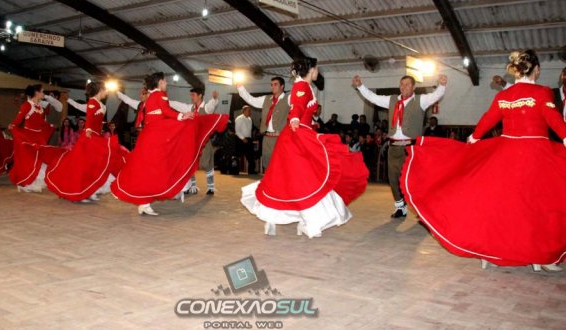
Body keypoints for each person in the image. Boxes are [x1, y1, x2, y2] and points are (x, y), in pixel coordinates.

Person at [402, 50, 566, 272]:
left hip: (506, 154)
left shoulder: (504, 96)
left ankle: (490, 252)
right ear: (536, 69)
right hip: (535, 155)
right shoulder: (542, 92)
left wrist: (474, 138)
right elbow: (553, 119)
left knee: (501, 204)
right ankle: (541, 256)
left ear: (516, 71)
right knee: (539, 205)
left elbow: (489, 118)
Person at [241, 58, 369, 238]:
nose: (318, 71)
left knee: (290, 180)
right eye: (317, 68)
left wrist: (307, 121)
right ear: (311, 69)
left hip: (297, 136)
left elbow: (301, 106)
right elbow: (298, 105)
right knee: (307, 179)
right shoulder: (303, 86)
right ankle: (305, 222)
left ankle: (278, 220)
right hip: (298, 137)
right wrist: (295, 118)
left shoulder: (303, 85)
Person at [110, 73, 228, 216]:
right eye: (165, 81)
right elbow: (166, 111)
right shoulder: (160, 94)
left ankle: (145, 202)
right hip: (158, 138)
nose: (166, 83)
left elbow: (158, 115)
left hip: (147, 138)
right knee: (166, 163)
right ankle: (170, 192)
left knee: (149, 170)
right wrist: (181, 116)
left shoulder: (150, 97)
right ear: (160, 82)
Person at [352, 73, 447, 218]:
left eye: (407, 84)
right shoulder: (392, 100)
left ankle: (421, 207)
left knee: (413, 180)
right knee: (393, 178)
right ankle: (400, 206)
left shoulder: (421, 100)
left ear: (413, 87)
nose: (404, 87)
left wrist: (442, 85)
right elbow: (373, 97)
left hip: (410, 148)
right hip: (393, 147)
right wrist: (360, 86)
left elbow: (436, 96)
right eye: (402, 84)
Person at [45, 81, 127, 202]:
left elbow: (81, 107)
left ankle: (89, 190)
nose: (107, 92)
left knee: (93, 165)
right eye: (105, 90)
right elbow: (89, 117)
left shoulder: (97, 103)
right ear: (100, 90)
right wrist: (88, 129)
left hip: (96, 137)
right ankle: (80, 191)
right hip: (89, 138)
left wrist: (69, 100)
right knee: (85, 166)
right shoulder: (93, 102)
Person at [9, 84, 63, 193]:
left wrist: (50, 126)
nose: (43, 93)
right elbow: (18, 120)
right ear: (36, 93)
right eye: (42, 91)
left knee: (40, 160)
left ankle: (33, 182)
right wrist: (13, 126)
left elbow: (41, 122)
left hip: (39, 137)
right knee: (31, 161)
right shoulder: (27, 105)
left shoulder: (39, 106)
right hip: (29, 137)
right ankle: (26, 183)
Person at [170, 88, 220, 195]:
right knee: (190, 163)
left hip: (204, 141)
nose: (191, 97)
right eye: (191, 95)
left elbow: (211, 106)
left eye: (193, 95)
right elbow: (177, 105)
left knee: (207, 163)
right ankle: (192, 186)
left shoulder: (206, 108)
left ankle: (211, 187)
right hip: (192, 141)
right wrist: (165, 101)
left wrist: (215, 99)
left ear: (200, 95)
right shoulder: (190, 108)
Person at [237, 77, 290, 172]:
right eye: (271, 85)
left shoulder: (288, 98)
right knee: (268, 165)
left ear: (282, 86)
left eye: (275, 84)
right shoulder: (266, 99)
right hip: (266, 138)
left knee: (281, 165)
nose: (273, 87)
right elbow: (251, 100)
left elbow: (300, 103)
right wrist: (240, 88)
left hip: (280, 138)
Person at [234, 105, 255, 174]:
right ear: (244, 111)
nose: (250, 112)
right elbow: (237, 131)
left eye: (250, 111)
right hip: (240, 139)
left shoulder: (250, 119)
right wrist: (243, 138)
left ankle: (251, 171)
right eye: (249, 111)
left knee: (251, 156)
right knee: (238, 156)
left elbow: (249, 130)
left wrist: (249, 138)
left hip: (248, 139)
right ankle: (235, 170)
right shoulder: (239, 118)